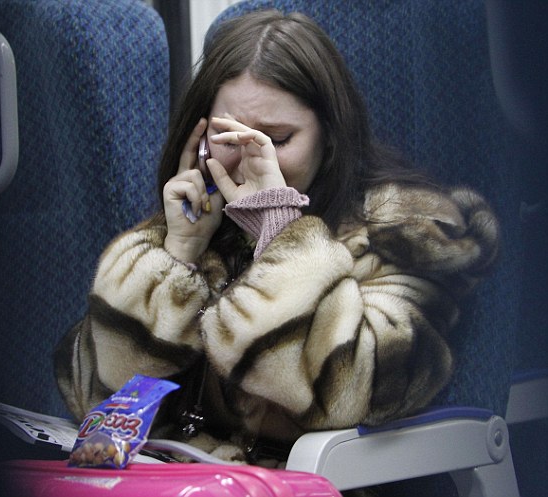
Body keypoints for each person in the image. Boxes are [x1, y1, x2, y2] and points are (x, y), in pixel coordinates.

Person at [54, 10, 499, 464]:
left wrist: (281, 237)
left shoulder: (404, 233)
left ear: (329, 138)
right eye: (229, 136)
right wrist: (178, 254)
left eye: (278, 139)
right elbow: (93, 400)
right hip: (183, 480)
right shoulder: (195, 225)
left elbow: (361, 392)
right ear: (202, 136)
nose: (254, 160)